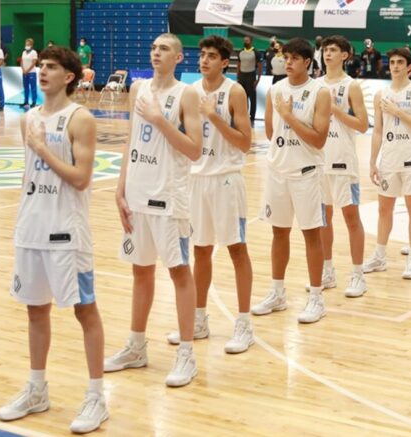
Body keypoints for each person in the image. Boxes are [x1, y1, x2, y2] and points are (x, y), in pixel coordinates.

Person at [0, 46, 108, 434]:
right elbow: (29, 174)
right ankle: (37, 389)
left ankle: (96, 397)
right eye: (41, 65)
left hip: (67, 232)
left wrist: (42, 148)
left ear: (69, 76)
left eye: (51, 67)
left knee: (85, 310)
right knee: (35, 310)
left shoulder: (81, 119)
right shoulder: (29, 117)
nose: (42, 71)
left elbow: (81, 178)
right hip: (31, 227)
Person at [104, 34, 203, 388]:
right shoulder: (138, 89)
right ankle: (136, 347)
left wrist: (161, 120)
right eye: (153, 48)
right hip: (137, 194)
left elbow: (195, 150)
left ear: (179, 57)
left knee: (179, 272)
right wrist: (121, 186)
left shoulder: (186, 94)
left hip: (169, 199)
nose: (156, 52)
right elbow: (131, 140)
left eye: (164, 49)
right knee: (140, 271)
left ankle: (187, 354)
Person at [165, 35, 255, 354]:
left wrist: (214, 115)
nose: (204, 60)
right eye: (202, 54)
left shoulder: (235, 91)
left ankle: (244, 324)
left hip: (226, 179)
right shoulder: (189, 92)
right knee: (200, 251)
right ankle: (199, 319)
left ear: (225, 62)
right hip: (196, 180)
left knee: (236, 249)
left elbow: (245, 143)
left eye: (212, 56)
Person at [250, 37, 331, 323]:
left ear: (307, 61)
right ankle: (277, 293)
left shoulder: (320, 92)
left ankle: (317, 298)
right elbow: (271, 133)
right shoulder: (276, 89)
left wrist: (289, 116)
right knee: (279, 233)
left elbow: (319, 140)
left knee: (311, 235)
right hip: (278, 171)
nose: (288, 62)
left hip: (307, 173)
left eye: (294, 58)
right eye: (286, 57)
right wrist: (284, 121)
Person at [362, 47, 411, 279]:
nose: (395, 66)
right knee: (384, 209)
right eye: (392, 62)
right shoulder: (381, 94)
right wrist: (373, 161)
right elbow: (377, 131)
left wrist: (398, 111)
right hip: (390, 159)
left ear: (409, 67)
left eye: (400, 62)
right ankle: (379, 256)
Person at [315, 35, 369, 297]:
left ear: (345, 55)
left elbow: (363, 125)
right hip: (319, 161)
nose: (327, 53)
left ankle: (358, 275)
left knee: (351, 218)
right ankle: (328, 271)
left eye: (333, 50)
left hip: (343, 161)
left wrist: (336, 110)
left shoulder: (351, 86)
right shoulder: (315, 85)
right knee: (323, 220)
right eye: (326, 49)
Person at [236, 36, 262, 125]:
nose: (245, 41)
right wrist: (237, 76)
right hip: (242, 76)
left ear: (251, 41)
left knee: (252, 98)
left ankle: (252, 117)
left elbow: (260, 66)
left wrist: (258, 79)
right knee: (242, 97)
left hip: (251, 76)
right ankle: (244, 115)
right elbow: (238, 64)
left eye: (247, 40)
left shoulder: (256, 52)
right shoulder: (240, 51)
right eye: (244, 40)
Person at [21, 38, 39, 108]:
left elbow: (34, 62)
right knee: (26, 87)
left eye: (28, 44)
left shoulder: (34, 52)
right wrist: (23, 69)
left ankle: (34, 102)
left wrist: (27, 70)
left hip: (32, 72)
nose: (27, 45)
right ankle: (26, 101)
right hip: (24, 72)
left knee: (33, 87)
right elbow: (22, 61)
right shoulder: (23, 52)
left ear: (31, 45)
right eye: (26, 44)